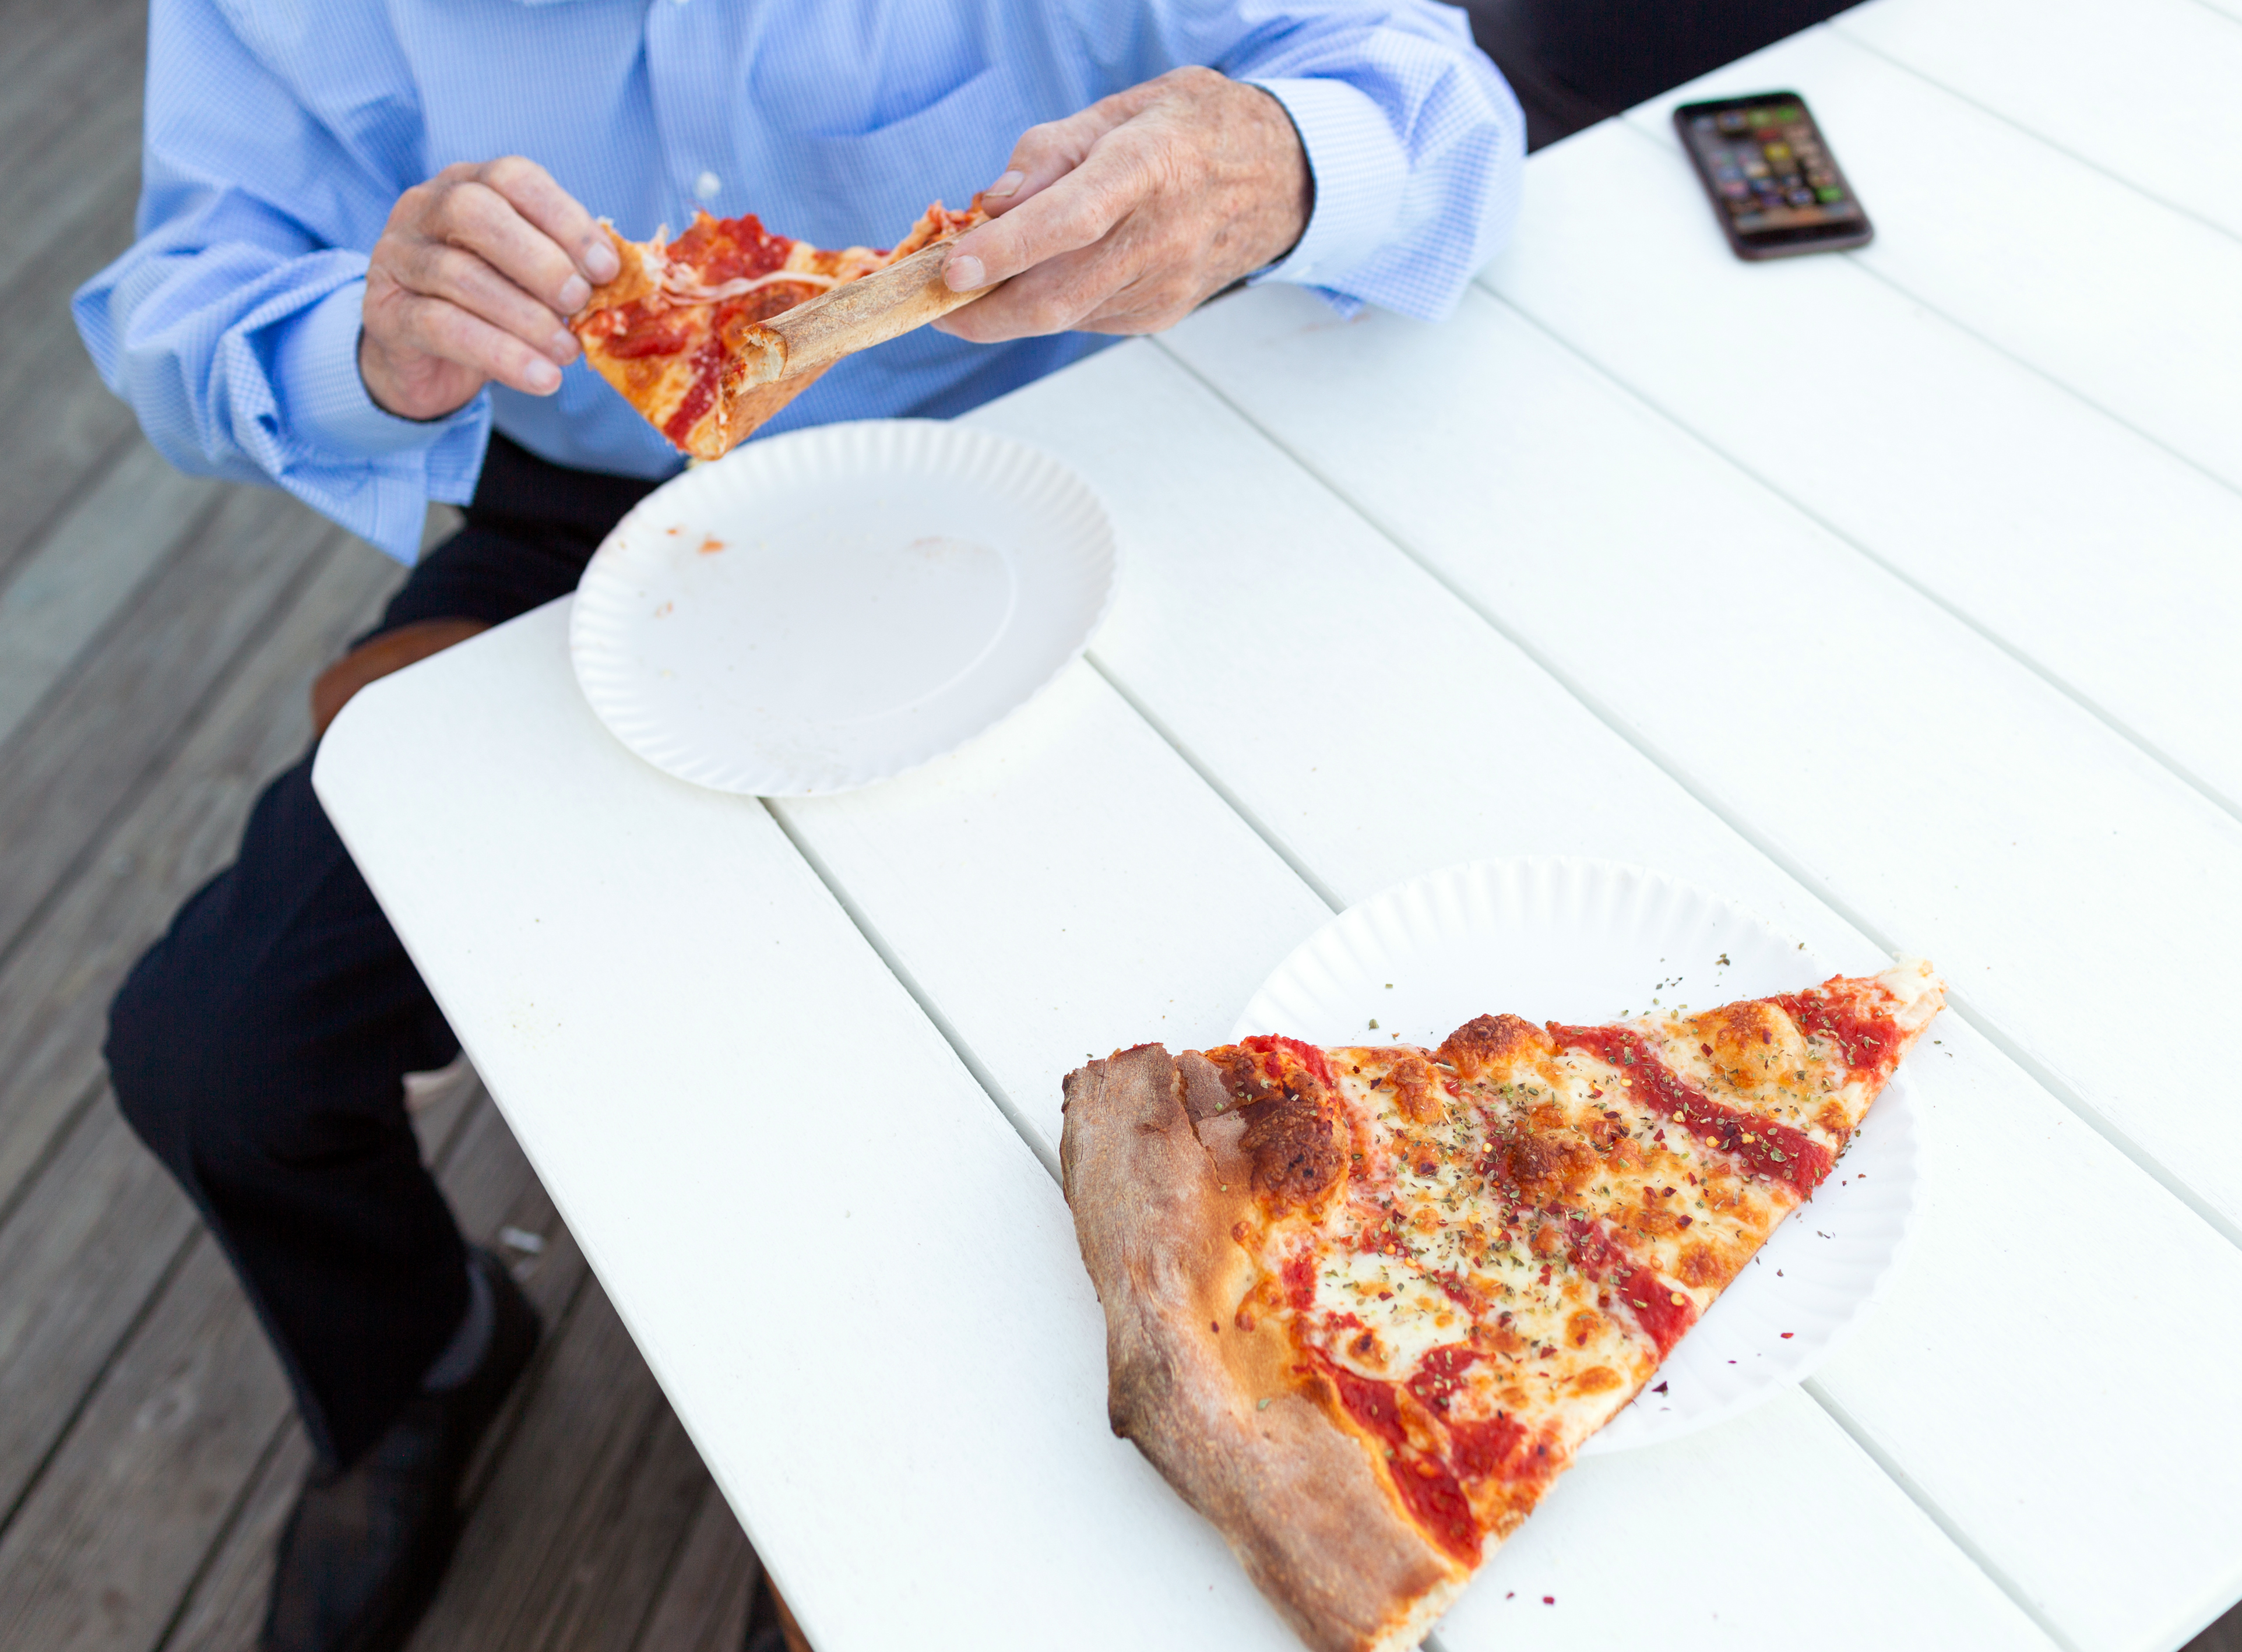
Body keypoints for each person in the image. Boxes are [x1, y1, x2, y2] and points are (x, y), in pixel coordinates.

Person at [74, 3, 1520, 1649]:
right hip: (596, 533)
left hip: (1067, 457)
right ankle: (416, 1359)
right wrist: (364, 332)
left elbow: (1427, 101)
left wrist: (1273, 162)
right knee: (215, 1056)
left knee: (1029, 1069)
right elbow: (186, 297)